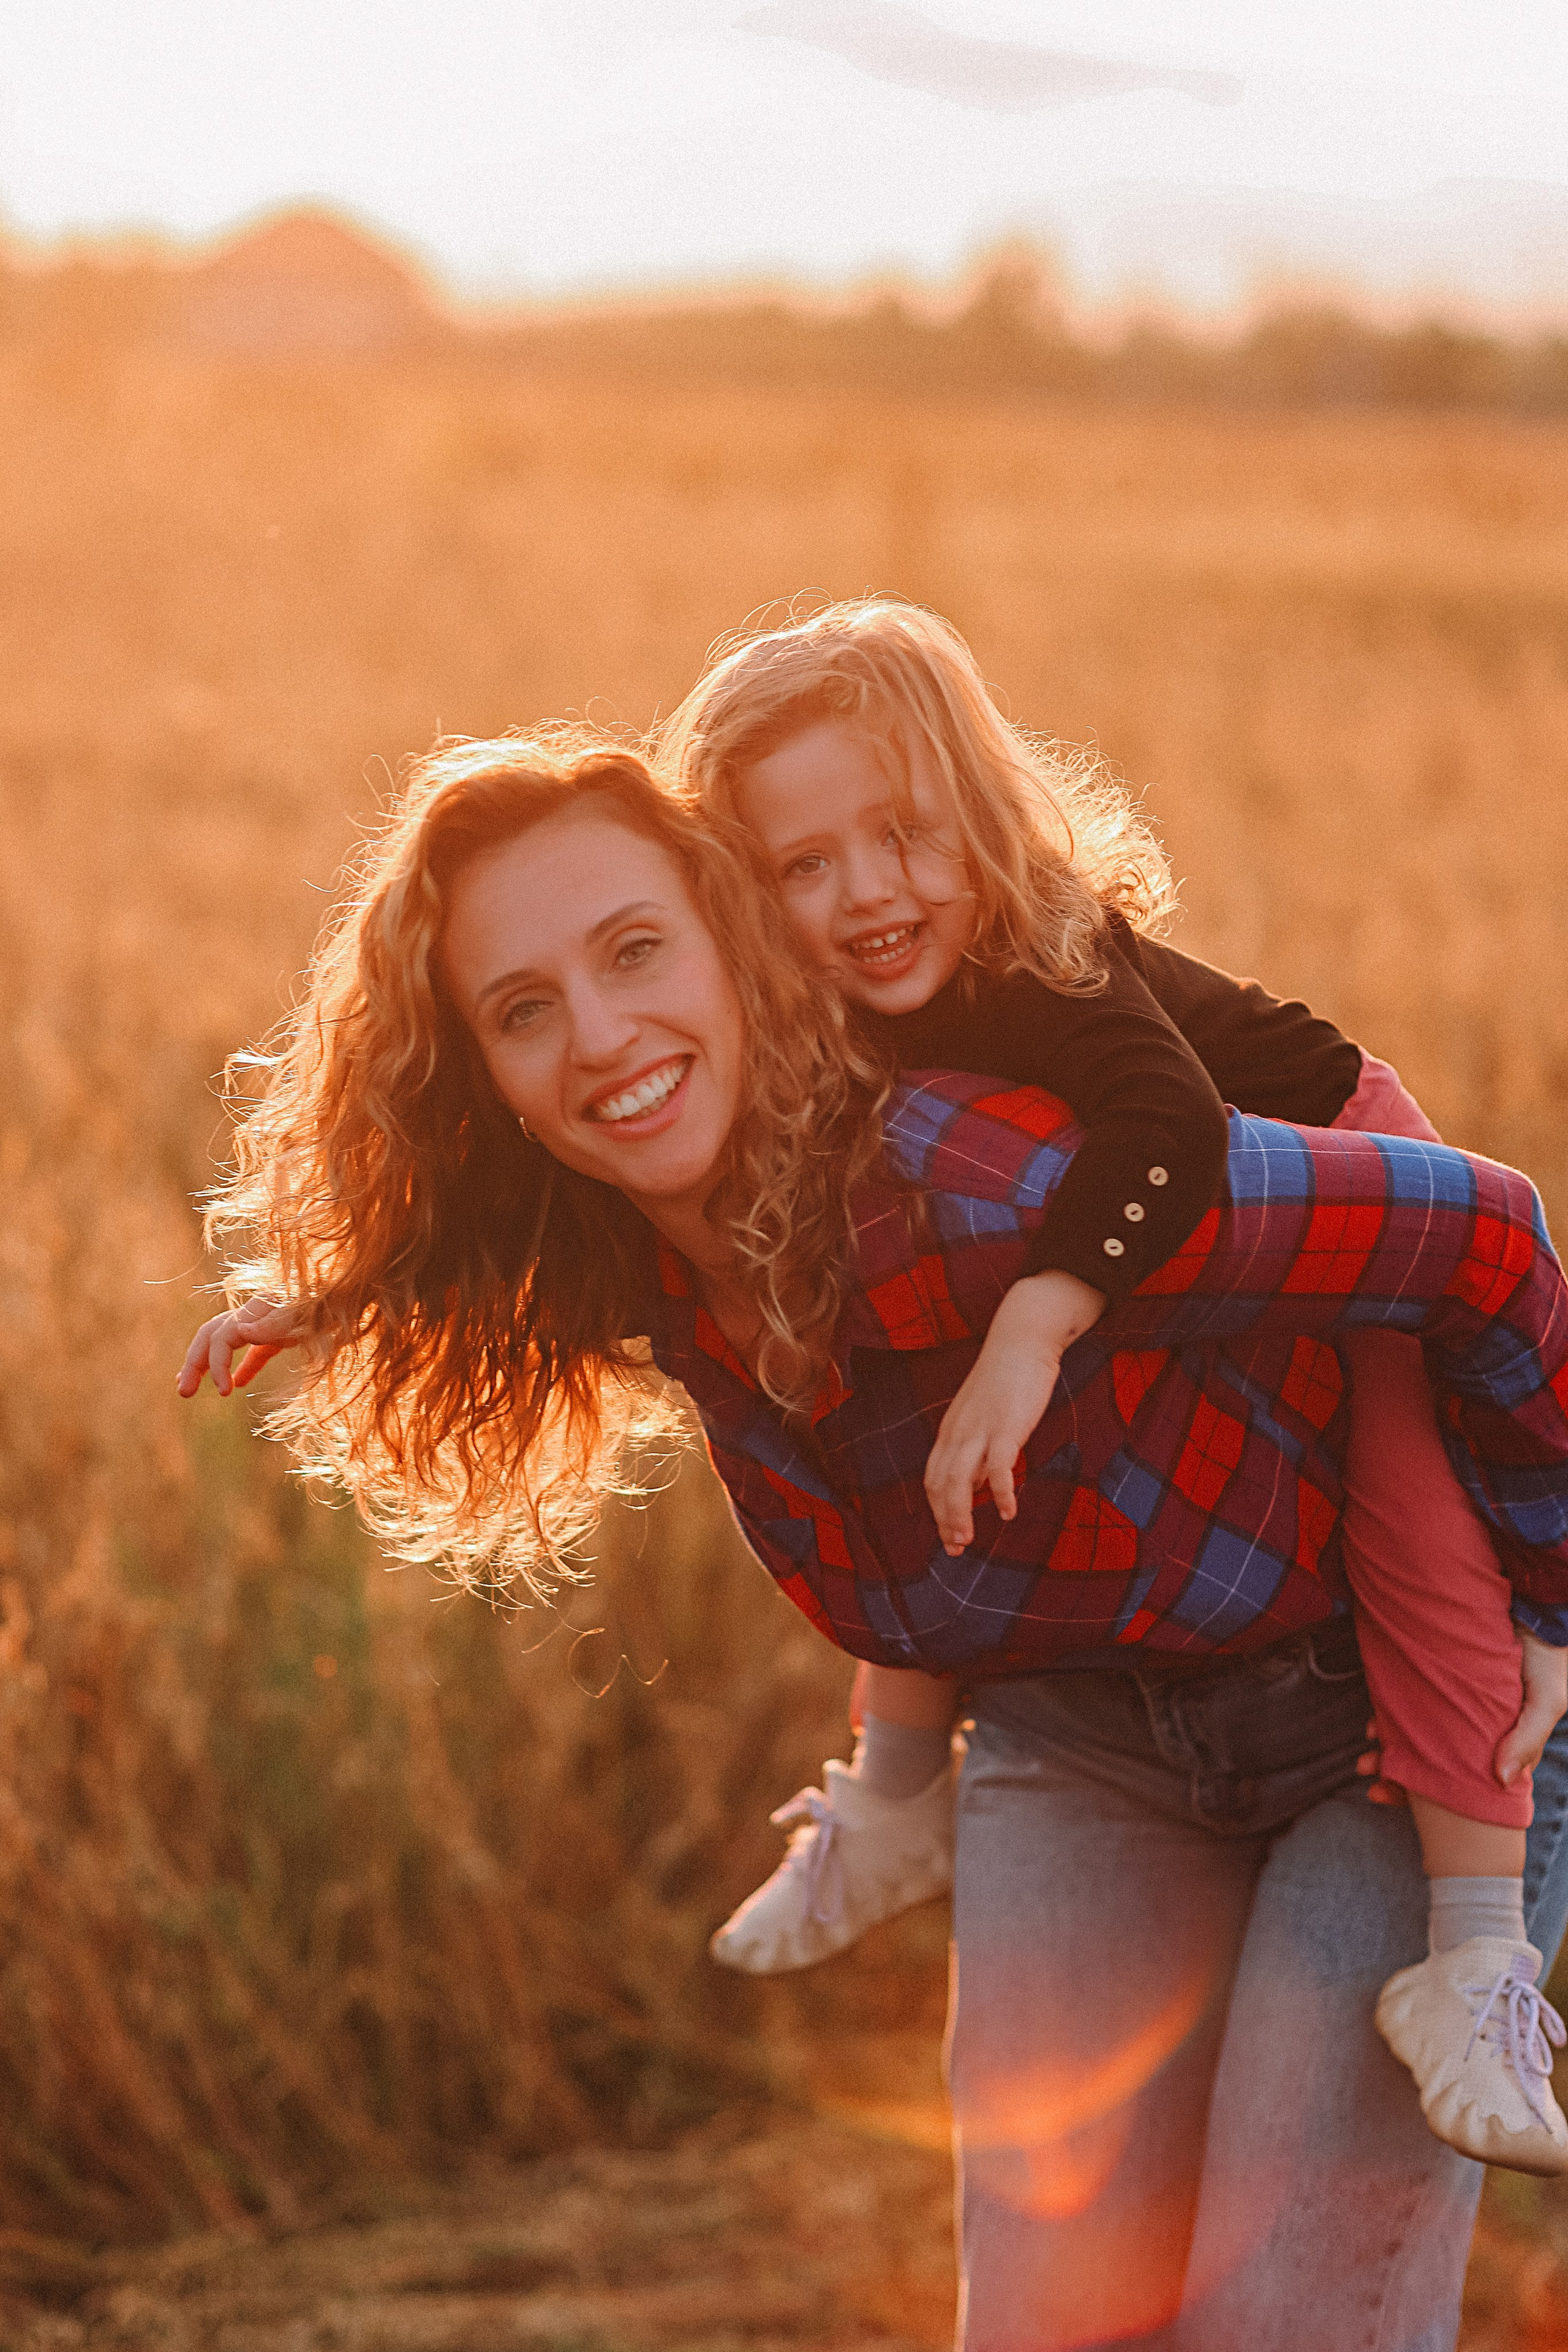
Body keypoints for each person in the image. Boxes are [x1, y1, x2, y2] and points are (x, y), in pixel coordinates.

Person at [178, 734, 1568, 2343]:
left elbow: (1480, 1232)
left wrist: (1549, 1587)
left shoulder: (991, 1188)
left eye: (635, 952)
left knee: (1276, 2323)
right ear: (481, 1074)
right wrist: (338, 1295)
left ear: (737, 943)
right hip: (1078, 1734)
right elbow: (478, 1252)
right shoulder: (636, 1243)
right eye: (522, 1009)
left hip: (1390, 1732)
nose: (601, 1037)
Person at [657, 597, 1567, 2146]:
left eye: (901, 834)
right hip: (1150, 1240)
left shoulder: (1043, 956)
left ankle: (1470, 1959)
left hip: (1344, 1185)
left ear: (981, 814)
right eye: (801, 867)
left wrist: (1033, 1324)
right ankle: (886, 1795)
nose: (865, 893)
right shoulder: (828, 1017)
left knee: (1416, 1538)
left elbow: (1172, 1139)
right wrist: (343, 1299)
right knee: (909, 1420)